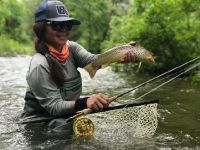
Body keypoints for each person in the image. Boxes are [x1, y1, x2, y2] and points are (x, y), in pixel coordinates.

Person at [21, 0, 136, 133]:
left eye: (67, 24)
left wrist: (121, 54)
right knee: (69, 129)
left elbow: (95, 62)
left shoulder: (72, 48)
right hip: (39, 124)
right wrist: (86, 102)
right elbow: (54, 107)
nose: (64, 29)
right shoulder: (39, 65)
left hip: (65, 115)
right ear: (41, 28)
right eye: (57, 25)